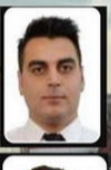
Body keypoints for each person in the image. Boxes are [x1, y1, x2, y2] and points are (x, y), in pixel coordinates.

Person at [7, 16, 99, 144]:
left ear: (82, 78)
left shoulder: (101, 145)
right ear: (20, 82)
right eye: (38, 70)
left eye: (65, 68)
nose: (54, 81)